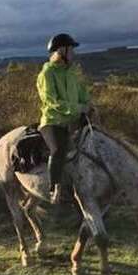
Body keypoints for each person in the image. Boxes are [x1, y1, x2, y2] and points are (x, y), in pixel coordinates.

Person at [37, 33, 91, 204]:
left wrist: (89, 105)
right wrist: (78, 108)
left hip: (73, 119)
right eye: (71, 49)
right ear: (61, 50)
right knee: (58, 150)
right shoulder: (46, 74)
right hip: (53, 121)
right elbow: (52, 102)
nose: (73, 53)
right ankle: (54, 187)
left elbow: (82, 93)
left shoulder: (72, 73)